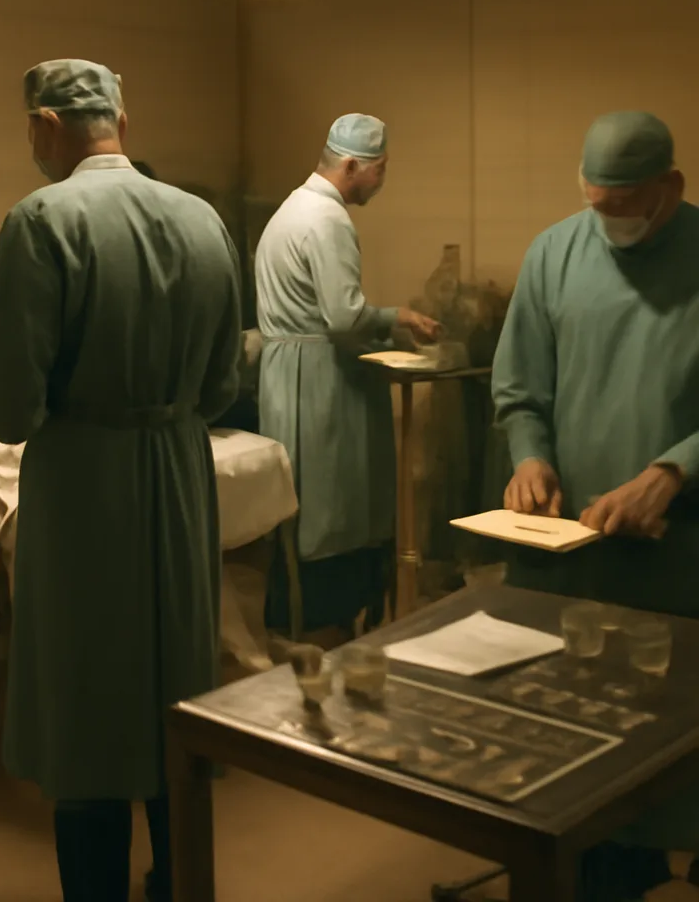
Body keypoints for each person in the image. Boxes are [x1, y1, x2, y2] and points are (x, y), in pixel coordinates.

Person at [0, 59, 242, 902]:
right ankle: (181, 884)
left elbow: (7, 402)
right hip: (181, 476)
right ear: (123, 117)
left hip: (88, 487)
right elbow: (226, 383)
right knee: (174, 696)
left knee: (87, 707)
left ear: (47, 126)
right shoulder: (203, 220)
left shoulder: (42, 220)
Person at [492, 110, 699, 901]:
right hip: (571, 555)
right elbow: (520, 389)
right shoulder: (555, 253)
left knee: (668, 737)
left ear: (670, 188)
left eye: (626, 207)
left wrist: (675, 469)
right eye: (595, 205)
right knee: (575, 745)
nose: (608, 224)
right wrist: (529, 455)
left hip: (678, 553)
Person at [255, 114, 441, 637]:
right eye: (380, 170)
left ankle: (296, 614)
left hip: (285, 370)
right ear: (354, 165)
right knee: (335, 504)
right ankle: (333, 620)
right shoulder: (328, 219)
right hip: (322, 379)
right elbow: (342, 318)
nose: (382, 181)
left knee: (301, 500)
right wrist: (396, 318)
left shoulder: (291, 209)